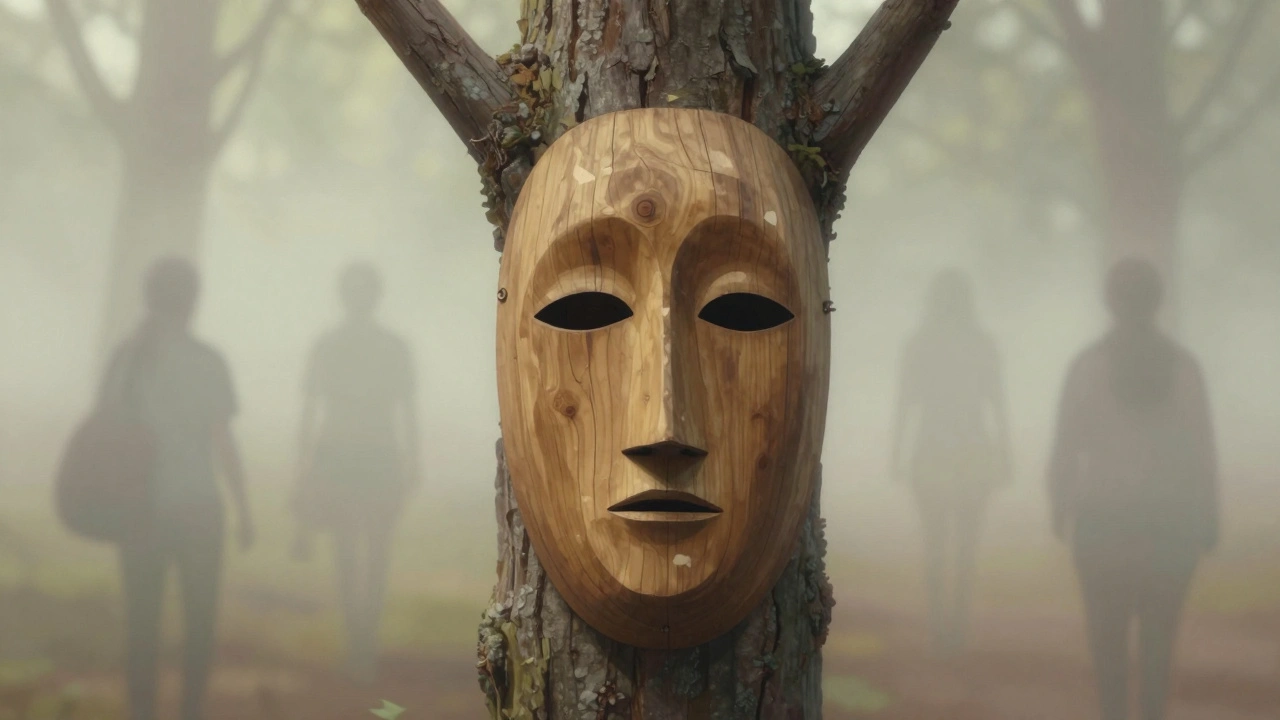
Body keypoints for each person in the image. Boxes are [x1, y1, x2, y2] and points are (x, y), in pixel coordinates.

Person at [1048, 258, 1218, 720]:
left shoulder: (1086, 367)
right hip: (1170, 525)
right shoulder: (1185, 369)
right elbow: (1203, 449)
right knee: (1159, 651)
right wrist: (1209, 516)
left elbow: (1064, 445)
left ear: (1109, 301)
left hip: (1102, 525)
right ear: (1158, 301)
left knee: (1108, 652)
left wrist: (1059, 506)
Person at [98, 257, 254, 720]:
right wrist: (243, 509)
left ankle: (141, 711)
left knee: (141, 624)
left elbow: (107, 432)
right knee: (199, 624)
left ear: (149, 298)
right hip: (199, 508)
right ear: (193, 301)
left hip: (139, 510)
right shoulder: (208, 361)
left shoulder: (126, 359)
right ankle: (190, 710)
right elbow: (223, 441)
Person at [293, 262, 421, 683]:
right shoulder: (385, 346)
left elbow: (311, 416)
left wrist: (304, 470)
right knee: (359, 552)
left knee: (360, 552)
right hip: (360, 457)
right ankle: (360, 643)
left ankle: (361, 644)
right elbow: (311, 414)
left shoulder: (334, 345)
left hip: (359, 457)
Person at [890, 268, 1012, 654]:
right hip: (973, 447)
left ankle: (941, 624)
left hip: (931, 447)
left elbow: (904, 405)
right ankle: (955, 624)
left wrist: (896, 453)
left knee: (935, 543)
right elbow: (998, 404)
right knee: (965, 546)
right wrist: (1005, 453)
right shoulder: (981, 343)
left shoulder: (920, 343)